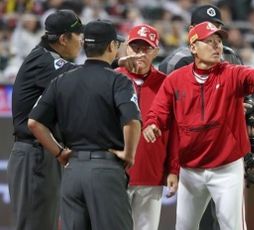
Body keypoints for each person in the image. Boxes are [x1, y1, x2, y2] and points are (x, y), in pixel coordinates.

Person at [143, 21, 254, 230]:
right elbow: (159, 110)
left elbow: (253, 76)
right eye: (210, 41)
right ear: (193, 47)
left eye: (219, 41)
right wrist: (152, 123)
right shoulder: (176, 80)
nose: (217, 46)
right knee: (184, 227)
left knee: (232, 227)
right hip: (191, 168)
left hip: (226, 167)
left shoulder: (230, 73)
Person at [27, 19, 142, 230]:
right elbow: (132, 121)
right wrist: (129, 154)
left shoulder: (62, 80)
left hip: (73, 172)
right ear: (111, 46)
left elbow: (34, 122)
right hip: (105, 170)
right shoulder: (119, 81)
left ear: (85, 45)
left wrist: (60, 153)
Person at [158, 4, 254, 229]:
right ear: (192, 31)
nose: (213, 31)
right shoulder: (174, 63)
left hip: (224, 154)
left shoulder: (231, 57)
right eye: (207, 26)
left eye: (217, 27)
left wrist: (250, 125)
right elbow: (164, 113)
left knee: (227, 220)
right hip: (191, 158)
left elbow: (249, 105)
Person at [7, 9, 83, 230]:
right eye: (79, 36)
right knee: (35, 225)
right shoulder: (44, 61)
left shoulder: (44, 58)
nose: (82, 42)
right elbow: (84, 76)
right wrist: (114, 62)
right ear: (63, 39)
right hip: (35, 154)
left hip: (42, 153)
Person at [116, 24, 179, 230]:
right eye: (135, 47)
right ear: (126, 48)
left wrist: (173, 169)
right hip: (115, 174)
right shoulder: (112, 78)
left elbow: (174, 132)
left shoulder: (166, 84)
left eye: (146, 49)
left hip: (151, 174)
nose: (140, 54)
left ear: (156, 52)